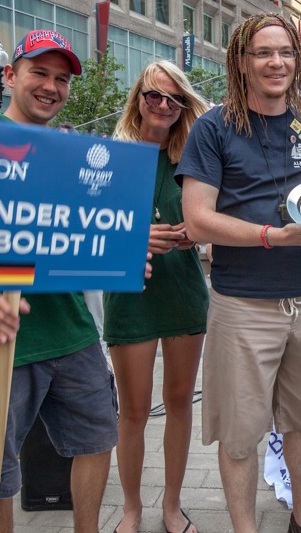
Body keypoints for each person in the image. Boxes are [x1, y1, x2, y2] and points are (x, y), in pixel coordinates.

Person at [0, 30, 123, 533]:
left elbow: (89, 233)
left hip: (71, 329)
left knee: (97, 438)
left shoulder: (73, 151)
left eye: (61, 79)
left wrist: (123, 256)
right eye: (39, 73)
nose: (51, 86)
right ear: (9, 75)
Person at [176, 13, 301, 533]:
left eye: (286, 53)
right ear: (242, 63)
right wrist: (271, 236)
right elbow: (197, 219)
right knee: (240, 431)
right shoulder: (213, 127)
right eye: (264, 53)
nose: (277, 63)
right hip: (242, 303)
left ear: (298, 61)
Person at [103, 61, 209, 533]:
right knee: (135, 410)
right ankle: (131, 507)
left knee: (181, 401)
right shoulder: (112, 157)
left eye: (174, 99)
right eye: (154, 96)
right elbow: (89, 231)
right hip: (132, 294)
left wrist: (195, 232)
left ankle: (172, 504)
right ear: (138, 98)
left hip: (184, 289)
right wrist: (133, 237)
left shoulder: (192, 159)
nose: (164, 105)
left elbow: (212, 219)